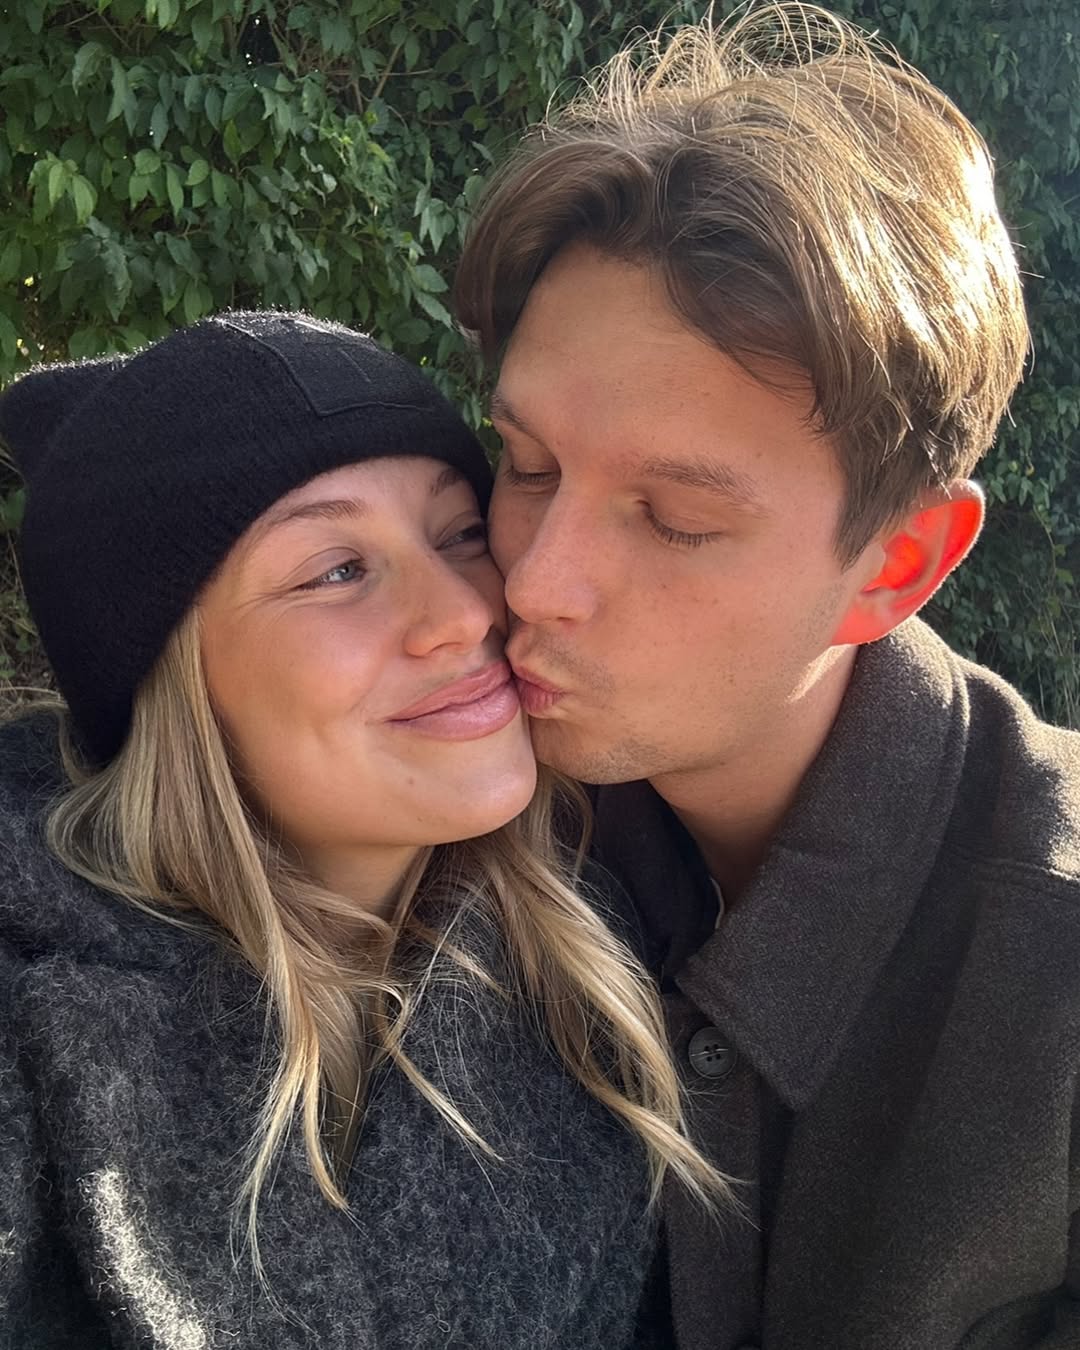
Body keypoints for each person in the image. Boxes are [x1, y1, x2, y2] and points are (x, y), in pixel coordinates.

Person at [453, 5, 1080, 1348]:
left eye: (676, 519)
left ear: (897, 565)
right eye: (528, 465)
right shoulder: (445, 780)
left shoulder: (1051, 973)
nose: (536, 581)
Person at [0, 311, 727, 1349]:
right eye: (336, 570)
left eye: (459, 534)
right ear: (174, 685)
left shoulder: (594, 962)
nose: (467, 612)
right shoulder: (36, 1027)